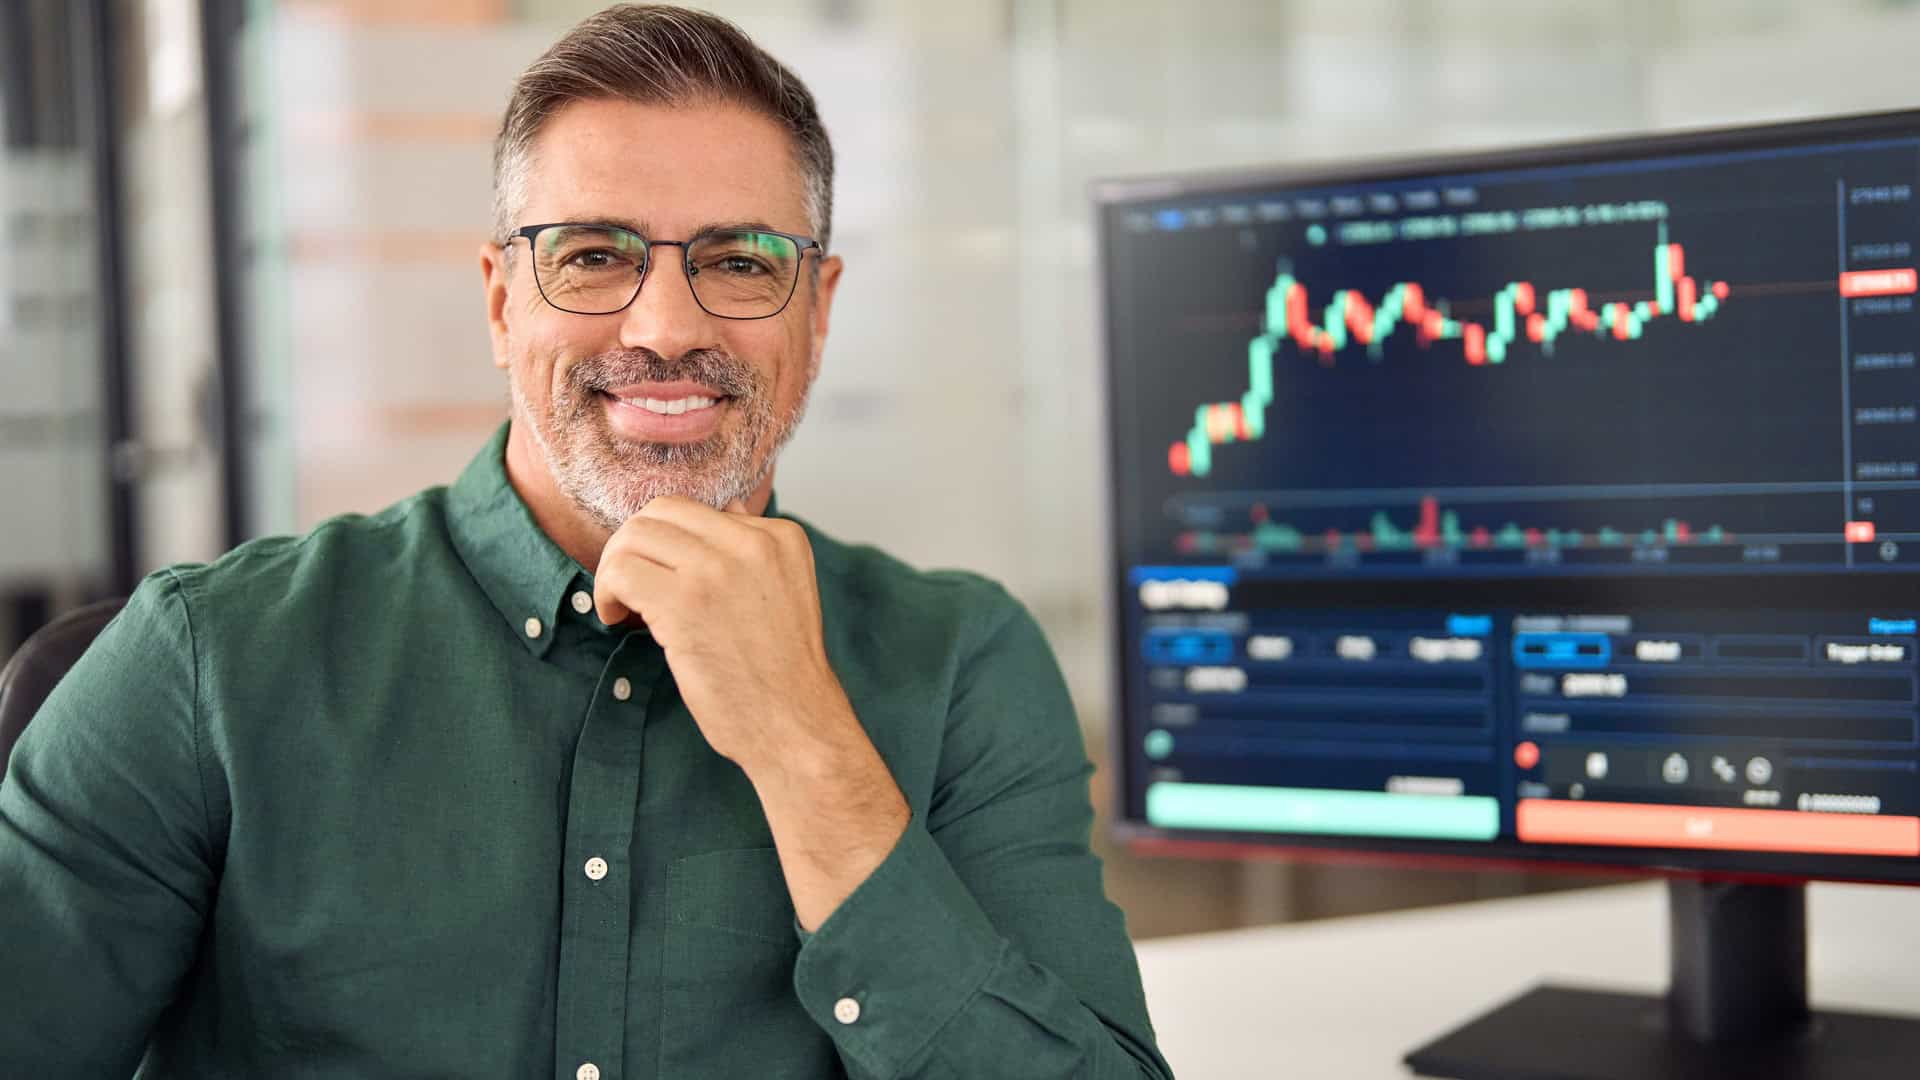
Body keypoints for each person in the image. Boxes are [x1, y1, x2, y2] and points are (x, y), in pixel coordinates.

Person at [0, 5, 1172, 1078]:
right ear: (505, 302)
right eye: (594, 255)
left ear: (817, 316)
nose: (665, 327)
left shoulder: (961, 661)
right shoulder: (206, 659)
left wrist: (809, 751)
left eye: (740, 261)